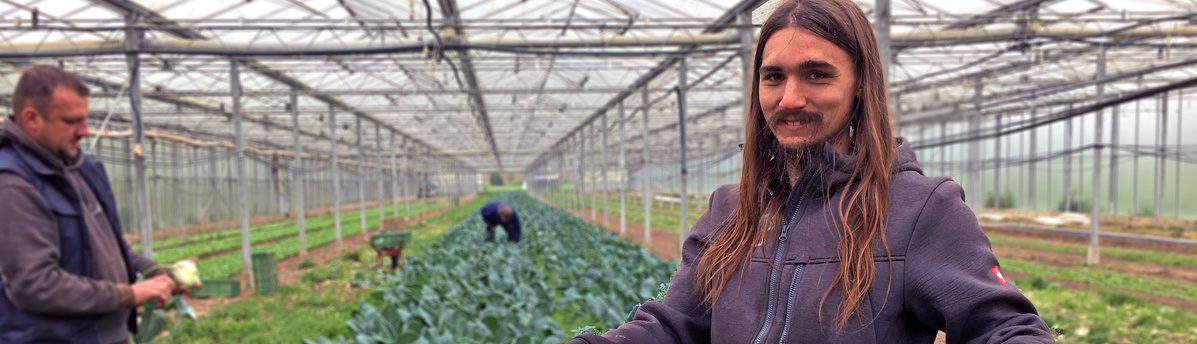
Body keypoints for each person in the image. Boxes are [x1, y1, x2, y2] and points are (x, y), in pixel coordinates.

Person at [568, 0, 1055, 343]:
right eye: (773, 77)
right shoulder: (729, 210)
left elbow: (1006, 329)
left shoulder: (920, 209)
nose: (790, 98)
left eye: (816, 75)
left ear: (860, 83)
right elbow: (674, 326)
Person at [0, 65, 182, 344]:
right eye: (71, 121)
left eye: (85, 119)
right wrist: (129, 294)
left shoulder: (83, 168)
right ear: (32, 119)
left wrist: (158, 273)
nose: (84, 131)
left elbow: (109, 246)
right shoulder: (13, 184)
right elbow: (35, 284)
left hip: (107, 334)